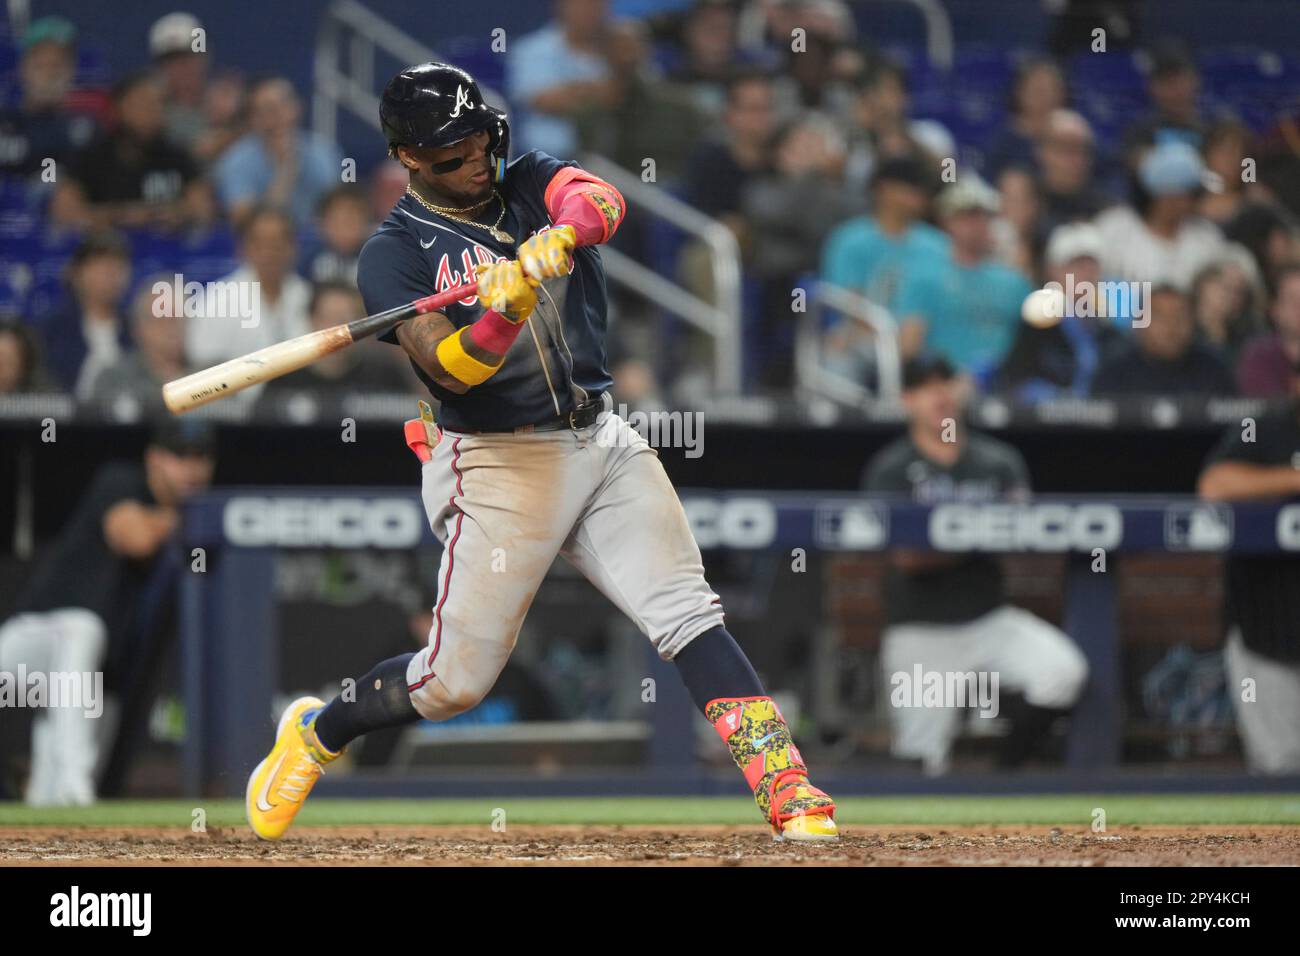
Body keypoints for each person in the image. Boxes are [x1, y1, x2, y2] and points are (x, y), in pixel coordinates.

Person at [245, 62, 838, 843]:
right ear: (410, 160)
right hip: (497, 462)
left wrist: (561, 234)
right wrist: (500, 313)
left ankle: (786, 786)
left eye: (481, 139)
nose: (478, 160)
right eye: (453, 153)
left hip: (600, 437)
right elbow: (448, 366)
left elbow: (602, 201)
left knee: (687, 614)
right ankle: (320, 733)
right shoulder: (391, 254)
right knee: (452, 682)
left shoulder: (530, 180)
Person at [862, 355, 1088, 775]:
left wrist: (969, 532)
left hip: (988, 619)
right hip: (921, 629)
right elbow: (910, 557)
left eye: (946, 383)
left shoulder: (996, 461)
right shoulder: (891, 469)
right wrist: (981, 530)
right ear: (908, 399)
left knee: (1063, 671)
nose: (940, 395)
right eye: (927, 387)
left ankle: (1003, 773)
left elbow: (1026, 531)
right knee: (923, 760)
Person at [0, 420, 215, 804]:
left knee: (55, 809)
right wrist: (193, 519)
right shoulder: (123, 481)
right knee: (81, 629)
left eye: (199, 458)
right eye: (179, 456)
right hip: (24, 651)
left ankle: (59, 797)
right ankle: (72, 784)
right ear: (154, 459)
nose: (190, 469)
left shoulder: (192, 536)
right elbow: (133, 537)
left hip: (85, 682)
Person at [1199, 403, 1300, 773]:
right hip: (1267, 630)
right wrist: (1294, 479)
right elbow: (1215, 485)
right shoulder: (1262, 429)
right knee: (1283, 768)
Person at [894, 174, 1033, 381]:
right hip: (942, 383)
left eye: (983, 216)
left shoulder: (1014, 282)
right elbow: (908, 347)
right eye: (967, 216)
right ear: (947, 221)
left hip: (1004, 386)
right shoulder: (925, 277)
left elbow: (1036, 342)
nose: (976, 224)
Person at [50, 71, 211, 232]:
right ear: (117, 110)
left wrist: (178, 213)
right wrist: (123, 216)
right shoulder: (91, 157)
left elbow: (203, 209)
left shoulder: (176, 155)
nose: (152, 112)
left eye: (158, 104)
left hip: (167, 249)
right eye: (143, 104)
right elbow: (65, 212)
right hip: (107, 249)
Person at [995, 222, 1125, 399]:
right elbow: (1016, 380)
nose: (1086, 273)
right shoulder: (1035, 327)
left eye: (1092, 265)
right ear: (1053, 271)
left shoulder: (1111, 335)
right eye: (1076, 265)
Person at [185, 205, 311, 368]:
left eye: (277, 244)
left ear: (293, 247)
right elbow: (203, 364)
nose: (270, 253)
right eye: (261, 244)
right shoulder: (217, 299)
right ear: (244, 248)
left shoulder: (307, 295)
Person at [1094, 141, 1228, 290]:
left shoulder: (1207, 237)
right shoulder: (1114, 227)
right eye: (1189, 194)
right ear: (1164, 197)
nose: (1193, 202)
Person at [212, 77, 343, 228]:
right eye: (267, 110)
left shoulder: (324, 152)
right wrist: (286, 167)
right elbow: (244, 225)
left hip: (318, 245)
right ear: (253, 119)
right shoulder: (236, 160)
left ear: (297, 107)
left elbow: (338, 213)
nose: (278, 116)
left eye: (284, 105)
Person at [507, 0, 618, 158]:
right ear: (563, 6)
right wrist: (596, 92)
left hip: (605, 156)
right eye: (582, 4)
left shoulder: (617, 49)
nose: (589, 11)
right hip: (548, 158)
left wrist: (574, 92)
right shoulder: (532, 48)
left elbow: (619, 97)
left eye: (596, 5)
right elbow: (547, 101)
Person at [32, 231, 133, 396]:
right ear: (77, 274)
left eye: (118, 266)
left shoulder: (137, 330)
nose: (111, 274)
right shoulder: (51, 332)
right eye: (101, 265)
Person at [0, 16, 99, 179]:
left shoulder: (88, 130)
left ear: (71, 72)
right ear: (24, 70)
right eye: (41, 66)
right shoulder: (5, 124)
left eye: (57, 66)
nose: (50, 75)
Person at [1092, 285, 1234, 396]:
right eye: (1159, 316)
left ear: (1193, 322)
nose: (1171, 325)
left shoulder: (1214, 371)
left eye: (1179, 316)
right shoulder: (1113, 374)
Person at [88, 277, 188, 417]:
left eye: (181, 317)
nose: (173, 327)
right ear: (139, 328)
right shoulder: (113, 379)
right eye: (163, 318)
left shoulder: (213, 375)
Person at [983, 58, 1068, 179]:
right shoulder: (1002, 142)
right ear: (1019, 93)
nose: (1046, 97)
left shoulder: (1075, 135)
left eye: (1051, 90)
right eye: (1038, 90)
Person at [1237, 264, 1300, 398]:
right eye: (1292, 300)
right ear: (1275, 308)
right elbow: (1265, 410)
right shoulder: (1259, 356)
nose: (1299, 307)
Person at [302, 185, 372, 285]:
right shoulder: (308, 259)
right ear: (322, 224)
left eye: (353, 222)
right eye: (339, 222)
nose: (346, 231)